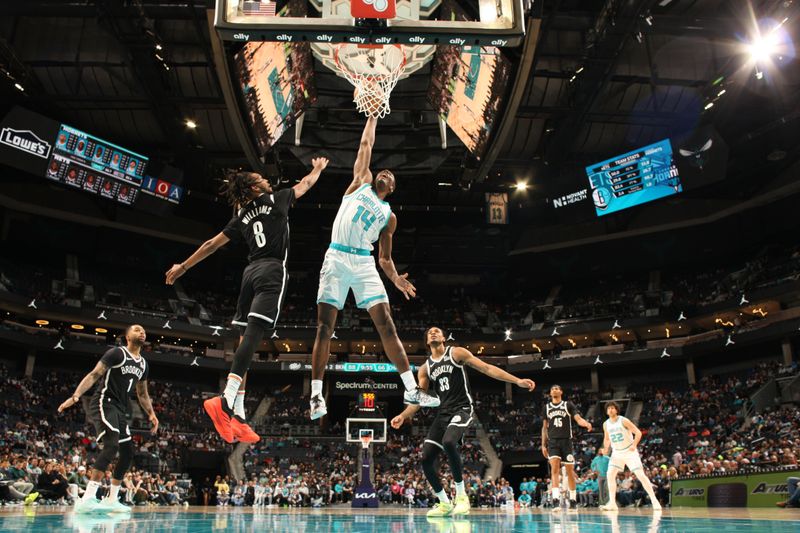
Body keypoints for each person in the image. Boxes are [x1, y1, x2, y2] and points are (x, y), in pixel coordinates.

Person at [166, 159, 329, 443]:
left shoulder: (242, 213)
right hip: (271, 270)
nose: (266, 180)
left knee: (244, 340)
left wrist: (183, 266)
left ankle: (238, 414)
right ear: (255, 187)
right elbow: (305, 185)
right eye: (261, 178)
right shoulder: (277, 199)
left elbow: (211, 245)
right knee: (254, 337)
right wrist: (317, 170)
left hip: (249, 273)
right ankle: (226, 399)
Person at [309, 117, 439, 420]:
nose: (385, 172)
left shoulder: (389, 217)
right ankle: (316, 395)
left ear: (391, 188)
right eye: (383, 170)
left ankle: (410, 388)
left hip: (365, 263)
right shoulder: (359, 183)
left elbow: (384, 258)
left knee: (387, 323)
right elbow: (365, 145)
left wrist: (395, 278)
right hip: (337, 257)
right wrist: (372, 114)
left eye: (390, 175)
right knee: (324, 327)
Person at [391, 326, 535, 517]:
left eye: (437, 331)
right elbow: (420, 400)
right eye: (430, 332)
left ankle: (461, 497)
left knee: (449, 442)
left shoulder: (456, 352)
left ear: (443, 338)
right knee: (425, 459)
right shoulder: (425, 368)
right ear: (427, 341)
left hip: (462, 408)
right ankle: (444, 503)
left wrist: (516, 381)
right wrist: (403, 415)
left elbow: (486, 368)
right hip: (443, 413)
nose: (433, 332)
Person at [58, 324, 158, 513]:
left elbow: (142, 393)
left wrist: (152, 414)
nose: (142, 332)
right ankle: (88, 497)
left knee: (127, 453)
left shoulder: (143, 364)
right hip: (105, 402)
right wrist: (76, 396)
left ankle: (111, 499)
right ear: (127, 336)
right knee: (111, 445)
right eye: (137, 329)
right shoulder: (117, 353)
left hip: (120, 409)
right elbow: (95, 374)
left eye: (144, 330)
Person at [599, 401, 662, 511]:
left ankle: (654, 500)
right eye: (608, 408)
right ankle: (612, 503)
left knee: (640, 475)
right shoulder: (606, 424)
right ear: (606, 411)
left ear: (616, 410)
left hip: (629, 451)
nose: (610, 410)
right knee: (610, 475)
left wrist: (634, 445)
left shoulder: (623, 420)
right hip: (616, 452)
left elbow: (638, 432)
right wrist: (605, 448)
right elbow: (607, 438)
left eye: (612, 408)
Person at [541, 384, 592, 511]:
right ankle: (556, 500)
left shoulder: (567, 405)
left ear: (561, 392)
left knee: (570, 472)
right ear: (550, 393)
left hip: (566, 442)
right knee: (554, 470)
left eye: (557, 388)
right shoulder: (546, 408)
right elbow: (544, 427)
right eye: (552, 389)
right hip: (553, 442)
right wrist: (543, 444)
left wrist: (585, 423)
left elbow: (578, 418)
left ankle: (573, 499)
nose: (554, 390)